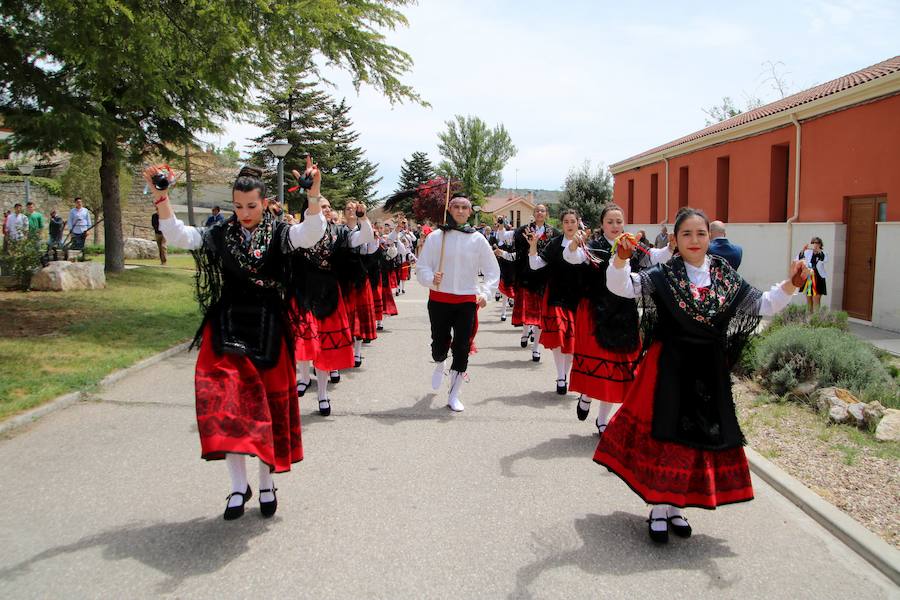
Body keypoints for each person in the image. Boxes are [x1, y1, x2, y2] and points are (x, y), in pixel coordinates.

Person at [594, 207, 807, 543]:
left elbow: (762, 304)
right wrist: (619, 261)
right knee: (666, 433)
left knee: (696, 437)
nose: (694, 240)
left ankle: (676, 506)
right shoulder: (664, 275)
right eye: (687, 234)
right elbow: (623, 287)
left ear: (710, 237)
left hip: (707, 370)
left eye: (701, 233)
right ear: (675, 241)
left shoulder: (724, 275)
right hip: (668, 368)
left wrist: (792, 285)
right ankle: (658, 507)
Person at [145, 157, 326, 521]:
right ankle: (237, 485)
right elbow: (181, 236)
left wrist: (313, 196)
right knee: (228, 404)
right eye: (238, 206)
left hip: (269, 325)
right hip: (228, 324)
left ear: (264, 203)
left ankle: (265, 483)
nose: (244, 213)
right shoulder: (219, 234)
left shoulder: (280, 233)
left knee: (267, 409)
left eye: (252, 206)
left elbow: (311, 234)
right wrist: (161, 198)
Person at [564, 203, 673, 435]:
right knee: (600, 364)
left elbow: (655, 256)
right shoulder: (592, 246)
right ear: (602, 224)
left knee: (619, 370)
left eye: (618, 221)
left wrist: (672, 248)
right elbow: (572, 257)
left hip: (624, 313)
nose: (615, 226)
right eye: (610, 222)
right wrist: (573, 243)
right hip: (597, 312)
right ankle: (587, 394)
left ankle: (603, 420)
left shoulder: (630, 242)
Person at [417, 195, 500, 411]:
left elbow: (492, 270)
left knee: (462, 347)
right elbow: (421, 267)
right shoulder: (437, 237)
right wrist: (430, 277)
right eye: (457, 207)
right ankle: (440, 361)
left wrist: (486, 293)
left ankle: (454, 393)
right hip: (439, 299)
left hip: (466, 300)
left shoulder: (478, 239)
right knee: (438, 344)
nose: (461, 211)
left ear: (470, 212)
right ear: (450, 209)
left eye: (465, 207)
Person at [293, 196, 373, 416]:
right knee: (305, 341)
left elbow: (365, 236)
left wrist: (362, 217)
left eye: (329, 206)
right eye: (323, 206)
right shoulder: (298, 232)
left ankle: (322, 394)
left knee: (325, 346)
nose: (327, 210)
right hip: (303, 292)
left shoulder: (339, 233)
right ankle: (303, 377)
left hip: (328, 293)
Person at [526, 209, 584, 394]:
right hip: (557, 296)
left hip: (579, 298)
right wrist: (533, 245)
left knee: (572, 342)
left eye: (572, 221)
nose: (569, 224)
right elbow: (535, 264)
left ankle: (565, 375)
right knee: (560, 336)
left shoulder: (586, 244)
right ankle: (560, 376)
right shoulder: (554, 243)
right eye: (566, 221)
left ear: (577, 223)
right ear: (562, 224)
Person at [512, 204, 558, 361]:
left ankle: (536, 347)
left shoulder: (554, 233)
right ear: (533, 213)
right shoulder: (522, 231)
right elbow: (518, 253)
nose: (540, 212)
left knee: (540, 314)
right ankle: (525, 332)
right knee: (527, 310)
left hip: (544, 278)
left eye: (543, 210)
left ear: (546, 214)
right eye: (537, 210)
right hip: (526, 275)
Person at [799, 237, 827, 312]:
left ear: (820, 244)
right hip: (809, 278)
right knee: (809, 299)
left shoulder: (823, 253)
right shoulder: (808, 252)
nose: (815, 244)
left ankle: (816, 318)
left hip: (818, 278)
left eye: (817, 243)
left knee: (816, 299)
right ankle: (809, 318)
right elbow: (800, 259)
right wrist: (803, 250)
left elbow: (824, 259)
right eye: (814, 243)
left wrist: (819, 251)